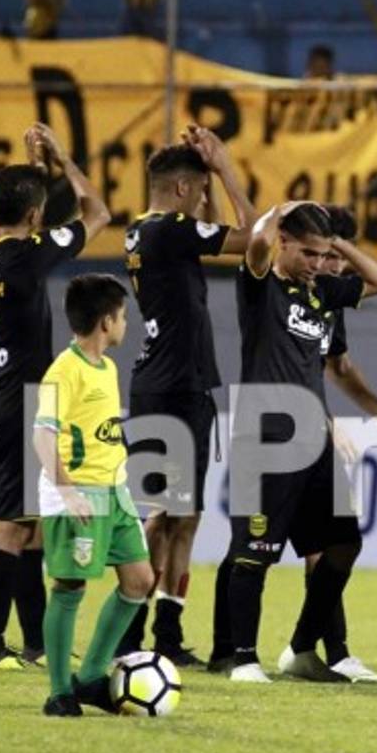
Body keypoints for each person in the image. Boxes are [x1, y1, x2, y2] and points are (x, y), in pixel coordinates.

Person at [0, 123, 110, 669]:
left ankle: (37, 644)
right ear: (33, 218)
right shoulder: (28, 255)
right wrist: (64, 161)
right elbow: (98, 213)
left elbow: (13, 219)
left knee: (31, 526)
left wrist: (32, 174)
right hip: (19, 405)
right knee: (10, 527)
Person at [225, 201, 377, 683]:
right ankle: (242, 660)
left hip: (313, 438)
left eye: (325, 255)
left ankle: (301, 648)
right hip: (266, 435)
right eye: (309, 253)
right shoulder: (260, 286)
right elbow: (256, 241)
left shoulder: (322, 291)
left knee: (343, 544)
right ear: (283, 242)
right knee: (253, 553)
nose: (319, 264)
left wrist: (336, 243)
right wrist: (282, 209)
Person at [118, 126, 256, 666]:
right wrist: (223, 167)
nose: (204, 202)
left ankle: (167, 634)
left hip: (177, 383)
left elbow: (213, 230)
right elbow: (251, 236)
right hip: (171, 389)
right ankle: (129, 631)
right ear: (181, 191)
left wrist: (208, 181)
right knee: (162, 515)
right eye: (198, 192)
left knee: (185, 514)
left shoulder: (146, 230)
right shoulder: (171, 230)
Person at [33, 274, 151, 716]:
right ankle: (59, 692)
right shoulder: (64, 371)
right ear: (106, 321)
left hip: (114, 493)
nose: (125, 324)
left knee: (140, 581)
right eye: (122, 316)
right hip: (77, 493)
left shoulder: (109, 367)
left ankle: (91, 678)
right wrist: (66, 490)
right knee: (69, 585)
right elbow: (42, 435)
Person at [312, 204, 377, 683]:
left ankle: (328, 652)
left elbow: (339, 369)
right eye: (326, 255)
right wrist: (324, 422)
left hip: (308, 427)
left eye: (340, 259)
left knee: (328, 543)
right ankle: (233, 651)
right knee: (255, 550)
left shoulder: (328, 298)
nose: (334, 267)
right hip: (282, 427)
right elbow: (290, 370)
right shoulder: (287, 292)